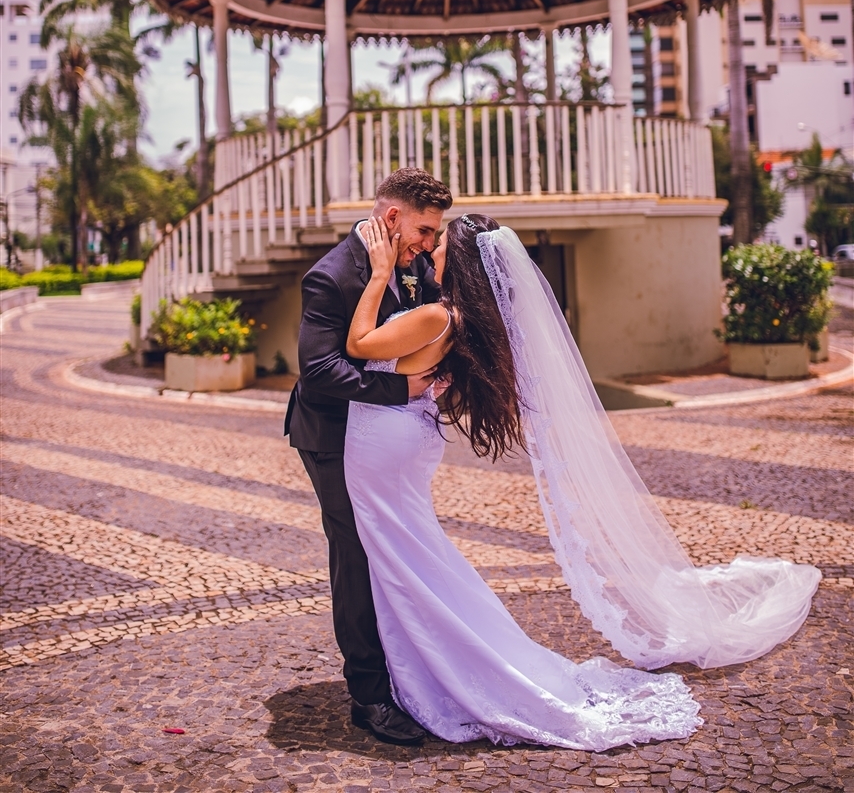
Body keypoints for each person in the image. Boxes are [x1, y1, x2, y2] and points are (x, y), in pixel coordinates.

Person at [342, 212, 822, 751]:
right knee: (414, 560)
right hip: (395, 441)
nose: (432, 249)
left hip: (385, 447)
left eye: (441, 242)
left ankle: (463, 670)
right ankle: (438, 666)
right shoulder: (452, 314)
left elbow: (360, 345)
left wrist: (381, 269)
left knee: (410, 562)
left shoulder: (436, 315)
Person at [285, 167, 453, 746]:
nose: (429, 244)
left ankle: (411, 671)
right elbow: (320, 371)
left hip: (383, 435)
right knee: (356, 555)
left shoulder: (412, 265)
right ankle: (370, 697)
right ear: (391, 218)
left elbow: (418, 327)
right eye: (425, 231)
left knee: (395, 549)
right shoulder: (329, 277)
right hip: (332, 437)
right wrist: (399, 391)